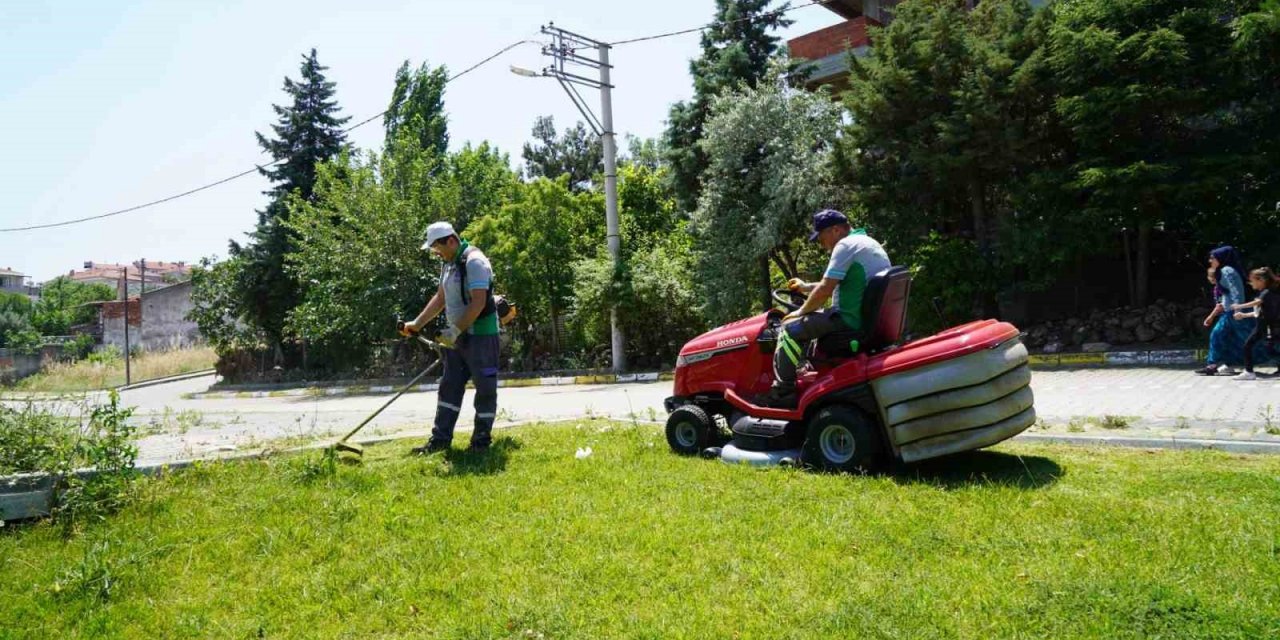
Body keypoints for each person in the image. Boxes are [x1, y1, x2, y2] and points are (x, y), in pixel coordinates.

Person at [761, 209, 890, 408]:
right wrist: (805, 287)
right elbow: (835, 283)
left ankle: (783, 392)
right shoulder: (868, 242)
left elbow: (824, 291)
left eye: (821, 238)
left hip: (848, 320)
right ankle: (811, 372)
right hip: (866, 319)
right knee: (812, 324)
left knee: (788, 329)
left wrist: (799, 312)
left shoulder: (845, 246)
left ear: (836, 230)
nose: (822, 244)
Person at [401, 221, 502, 453]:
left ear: (451, 241)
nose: (436, 253)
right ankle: (440, 441)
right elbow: (440, 298)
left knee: (485, 389)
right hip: (456, 338)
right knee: (449, 387)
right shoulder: (448, 264)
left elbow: (478, 303)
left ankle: (480, 443)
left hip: (482, 337)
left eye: (437, 247)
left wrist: (454, 331)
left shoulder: (474, 261)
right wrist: (416, 324)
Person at [1197, 246, 1258, 376]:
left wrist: (1237, 309)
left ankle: (1276, 358)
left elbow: (1236, 290)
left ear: (1221, 258)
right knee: (1220, 336)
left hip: (1235, 312)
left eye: (1212, 258)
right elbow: (1227, 294)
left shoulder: (1227, 270)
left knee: (1248, 339)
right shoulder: (1223, 271)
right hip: (1229, 312)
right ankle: (1216, 365)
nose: (1210, 260)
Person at [1230, 267, 1280, 380]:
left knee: (1247, 346)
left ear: (1261, 280)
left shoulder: (1266, 292)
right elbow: (1260, 312)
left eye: (1252, 280)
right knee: (1270, 349)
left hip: (1266, 326)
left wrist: (1239, 306)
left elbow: (1257, 303)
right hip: (1266, 326)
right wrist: (1244, 315)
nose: (1250, 283)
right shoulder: (1266, 292)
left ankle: (1249, 372)